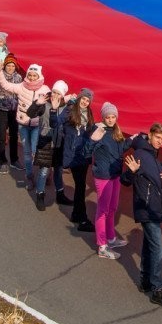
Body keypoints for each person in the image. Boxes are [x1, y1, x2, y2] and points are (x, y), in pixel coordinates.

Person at [122, 123, 162, 307]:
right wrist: (131, 172)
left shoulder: (151, 154)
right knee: (158, 249)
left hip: (154, 207)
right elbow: (125, 180)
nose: (160, 142)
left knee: (149, 246)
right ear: (150, 135)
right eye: (158, 138)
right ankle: (156, 289)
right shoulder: (140, 153)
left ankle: (145, 281)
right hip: (146, 208)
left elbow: (154, 174)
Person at [0, 62, 50, 196]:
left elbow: (55, 101)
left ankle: (45, 173)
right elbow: (6, 85)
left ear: (39, 76)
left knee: (36, 152)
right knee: (26, 154)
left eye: (34, 75)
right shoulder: (21, 87)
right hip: (23, 125)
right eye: (29, 75)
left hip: (37, 126)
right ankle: (29, 177)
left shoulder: (45, 89)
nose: (31, 77)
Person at [87, 102, 132, 259]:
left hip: (115, 175)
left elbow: (119, 150)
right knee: (102, 210)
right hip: (103, 176)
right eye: (108, 117)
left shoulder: (116, 131)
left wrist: (131, 140)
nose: (111, 119)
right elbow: (87, 151)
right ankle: (102, 246)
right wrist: (92, 140)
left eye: (113, 116)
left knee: (112, 208)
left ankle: (111, 238)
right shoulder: (98, 130)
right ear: (103, 117)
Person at [62, 88, 97, 231]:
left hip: (84, 155)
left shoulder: (88, 114)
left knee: (80, 186)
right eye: (83, 98)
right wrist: (67, 104)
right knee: (81, 186)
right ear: (79, 98)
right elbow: (58, 122)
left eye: (87, 100)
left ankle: (76, 214)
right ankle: (82, 219)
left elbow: (90, 130)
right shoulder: (70, 111)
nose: (84, 102)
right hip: (74, 155)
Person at [0, 56, 23, 173]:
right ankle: (3, 161)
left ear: (15, 67)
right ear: (5, 66)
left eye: (12, 66)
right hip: (1, 110)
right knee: (1, 136)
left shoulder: (18, 77)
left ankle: (14, 160)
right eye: (8, 65)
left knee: (14, 135)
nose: (10, 68)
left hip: (14, 110)